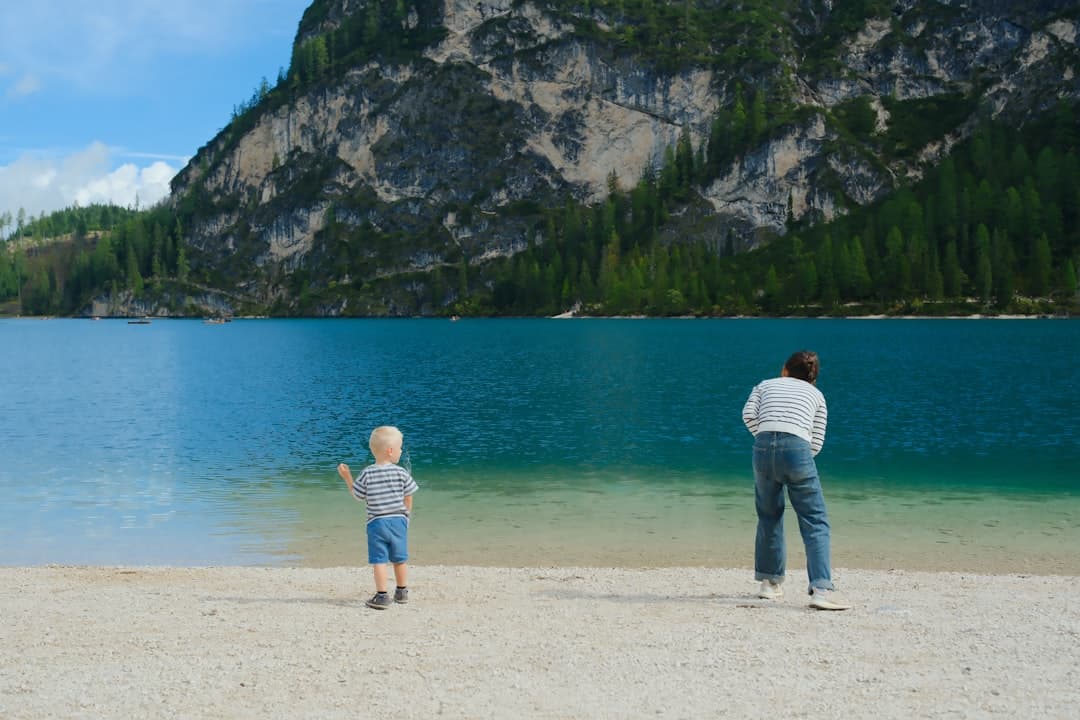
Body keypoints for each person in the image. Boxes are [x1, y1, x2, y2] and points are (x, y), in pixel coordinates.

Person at [742, 350, 851, 611]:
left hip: (763, 448)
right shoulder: (817, 395)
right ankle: (821, 588)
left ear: (784, 369)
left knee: (769, 516)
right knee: (815, 520)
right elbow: (817, 439)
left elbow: (748, 415)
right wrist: (798, 455)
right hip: (799, 450)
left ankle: (769, 584)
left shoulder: (765, 385)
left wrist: (768, 440)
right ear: (812, 378)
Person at [338, 426, 419, 610]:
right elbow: (409, 495)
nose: (400, 451)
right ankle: (401, 591)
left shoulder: (368, 473)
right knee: (400, 558)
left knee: (379, 560)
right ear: (390, 451)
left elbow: (358, 496)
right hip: (399, 521)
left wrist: (347, 476)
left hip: (376, 523)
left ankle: (382, 596)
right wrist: (406, 516)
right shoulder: (401, 472)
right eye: (399, 448)